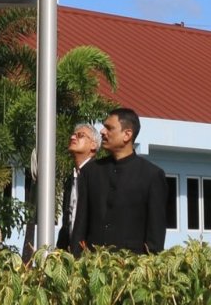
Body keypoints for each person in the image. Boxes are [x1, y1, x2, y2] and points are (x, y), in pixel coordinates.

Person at [83, 106, 167, 255]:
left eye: (109, 128)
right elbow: (80, 224)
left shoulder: (152, 175)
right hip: (91, 266)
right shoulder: (91, 171)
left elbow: (156, 232)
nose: (102, 132)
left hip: (130, 268)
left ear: (127, 134)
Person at [57, 121, 98, 256]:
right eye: (73, 135)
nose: (73, 138)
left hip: (90, 255)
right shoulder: (71, 178)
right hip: (68, 252)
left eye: (80, 135)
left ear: (93, 145)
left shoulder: (98, 175)